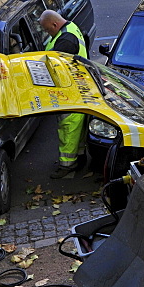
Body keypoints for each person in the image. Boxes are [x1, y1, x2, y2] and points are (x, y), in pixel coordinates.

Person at [39, 10, 88, 179]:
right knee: (76, 128)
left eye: (47, 30)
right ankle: (79, 158)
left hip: (68, 91)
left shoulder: (65, 41)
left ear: (54, 24)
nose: (47, 33)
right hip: (77, 88)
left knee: (68, 127)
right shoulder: (70, 28)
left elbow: (54, 67)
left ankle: (67, 165)